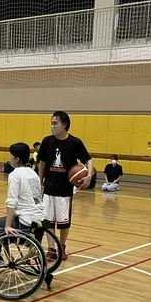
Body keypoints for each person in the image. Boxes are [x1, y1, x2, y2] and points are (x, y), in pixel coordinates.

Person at [0, 142, 45, 269]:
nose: (9, 158)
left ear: (17, 158)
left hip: (25, 223)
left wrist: (7, 225)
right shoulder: (32, 173)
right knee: (4, 221)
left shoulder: (15, 175)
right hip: (39, 220)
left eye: (11, 156)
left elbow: (11, 202)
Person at [38, 111, 93, 261]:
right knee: (48, 221)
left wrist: (88, 176)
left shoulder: (74, 142)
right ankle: (51, 248)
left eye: (55, 123)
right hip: (48, 188)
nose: (52, 126)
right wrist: (39, 181)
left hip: (65, 189)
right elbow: (42, 162)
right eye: (51, 123)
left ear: (64, 125)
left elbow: (88, 160)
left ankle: (61, 246)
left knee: (63, 222)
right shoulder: (47, 141)